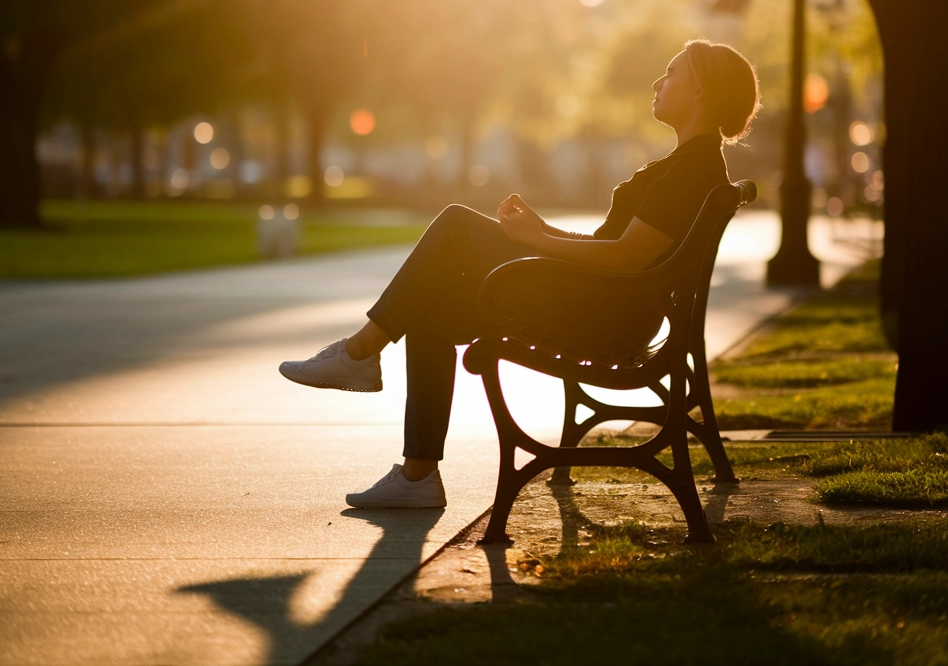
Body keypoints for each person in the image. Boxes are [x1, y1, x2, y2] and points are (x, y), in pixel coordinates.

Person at [278, 39, 760, 509]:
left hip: (608, 315)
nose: (658, 81)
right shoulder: (687, 165)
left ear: (699, 90)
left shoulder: (692, 170)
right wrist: (541, 230)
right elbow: (612, 249)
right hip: (605, 302)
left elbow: (627, 259)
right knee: (428, 310)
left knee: (456, 226)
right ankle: (416, 475)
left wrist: (537, 241)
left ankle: (360, 352)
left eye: (672, 72)